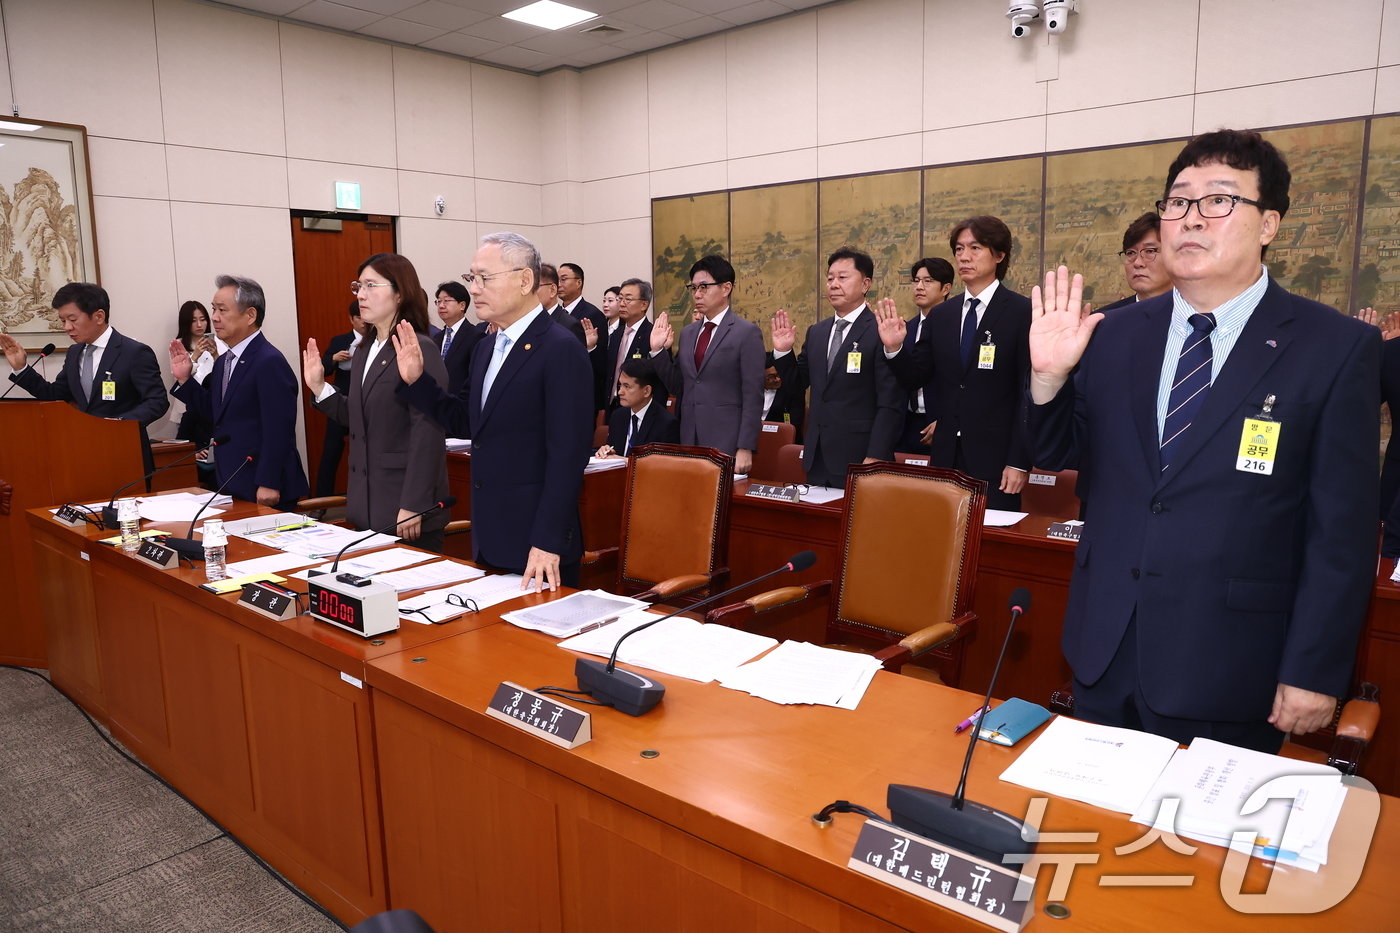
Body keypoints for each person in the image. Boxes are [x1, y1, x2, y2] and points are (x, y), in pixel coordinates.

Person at [1027, 128, 1379, 753]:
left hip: (1232, 663)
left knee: (1190, 849)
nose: (1190, 218)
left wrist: (1313, 669)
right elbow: (1059, 459)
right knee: (1093, 840)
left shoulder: (1333, 348)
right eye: (1177, 201)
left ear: (1268, 224)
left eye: (1218, 201)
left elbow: (1342, 531)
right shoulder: (1113, 334)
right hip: (1106, 648)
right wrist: (1049, 378)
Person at [393, 232, 593, 591]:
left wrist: (547, 541)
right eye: (472, 278)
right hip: (490, 532)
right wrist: (417, 381)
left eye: (485, 278)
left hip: (538, 542)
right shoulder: (486, 348)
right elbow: (469, 423)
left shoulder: (561, 348)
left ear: (524, 280)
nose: (475, 289)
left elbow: (568, 456)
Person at [875, 217, 1031, 509]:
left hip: (996, 458)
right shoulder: (943, 315)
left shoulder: (1022, 312)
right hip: (946, 454)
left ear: (999, 255)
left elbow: (1027, 393)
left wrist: (1019, 461)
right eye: (959, 249)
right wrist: (894, 348)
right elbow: (916, 376)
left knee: (991, 544)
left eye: (975, 247)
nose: (964, 256)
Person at [302, 255, 450, 550]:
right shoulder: (365, 349)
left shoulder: (419, 348)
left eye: (371, 285)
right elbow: (357, 417)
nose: (361, 295)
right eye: (358, 286)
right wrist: (320, 388)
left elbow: (428, 432)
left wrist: (414, 503)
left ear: (399, 293)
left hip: (405, 509)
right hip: (367, 503)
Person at [169, 275, 308, 507]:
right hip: (231, 478)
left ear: (250, 315)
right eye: (214, 309)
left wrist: (269, 481)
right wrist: (185, 380)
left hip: (262, 484)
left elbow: (279, 429)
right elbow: (217, 414)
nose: (214, 318)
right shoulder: (224, 361)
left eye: (222, 310)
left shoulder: (268, 361)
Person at [771, 246, 902, 487]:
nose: (833, 284)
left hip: (862, 457)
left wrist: (875, 455)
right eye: (830, 278)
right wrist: (783, 352)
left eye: (842, 277)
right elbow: (797, 385)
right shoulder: (818, 332)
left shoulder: (880, 331)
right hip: (818, 455)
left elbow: (891, 401)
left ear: (865, 284)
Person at [2, 282, 169, 471]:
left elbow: (157, 401)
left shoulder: (134, 352)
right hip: (84, 453)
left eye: (72, 319)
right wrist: (21, 368)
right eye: (63, 320)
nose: (66, 327)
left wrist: (120, 424)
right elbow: (55, 394)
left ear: (98, 316)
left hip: (125, 453)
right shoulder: (74, 353)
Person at [649, 255, 766, 474]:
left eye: (704, 287)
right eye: (693, 288)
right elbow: (679, 387)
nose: (697, 294)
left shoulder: (745, 333)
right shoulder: (689, 333)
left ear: (726, 288)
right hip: (689, 437)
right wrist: (657, 351)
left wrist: (745, 446)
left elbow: (753, 395)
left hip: (727, 441)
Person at [895, 257, 954, 453]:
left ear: (945, 289)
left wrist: (947, 420)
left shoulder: (957, 329)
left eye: (928, 281)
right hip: (906, 423)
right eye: (916, 280)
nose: (919, 286)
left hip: (941, 423)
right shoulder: (906, 329)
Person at [311, 301, 364, 496]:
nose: (363, 321)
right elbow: (322, 370)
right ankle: (321, 502)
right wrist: (333, 358)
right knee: (330, 454)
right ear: (351, 319)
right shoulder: (340, 341)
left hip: (367, 406)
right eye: (358, 317)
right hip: (340, 404)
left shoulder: (378, 340)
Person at [596, 358, 680, 458]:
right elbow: (615, 452)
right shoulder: (618, 416)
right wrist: (606, 452)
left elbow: (662, 466)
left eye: (627, 386)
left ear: (646, 391)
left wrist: (625, 461)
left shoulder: (666, 424)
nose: (620, 392)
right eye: (620, 385)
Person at [559, 262, 610, 409]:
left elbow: (601, 360)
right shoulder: (556, 315)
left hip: (583, 391)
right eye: (557, 280)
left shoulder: (592, 315)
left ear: (578, 282)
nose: (558, 284)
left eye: (563, 279)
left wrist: (590, 348)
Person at [173, 299, 221, 450]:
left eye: (203, 319)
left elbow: (223, 372)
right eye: (194, 321)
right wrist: (195, 355)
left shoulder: (219, 342)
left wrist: (215, 355)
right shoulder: (178, 345)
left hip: (212, 404)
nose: (199, 325)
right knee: (190, 451)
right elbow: (179, 377)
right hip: (188, 407)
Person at [1100, 212, 1173, 311]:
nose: (1137, 263)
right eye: (1130, 253)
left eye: (1150, 251)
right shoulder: (1104, 320)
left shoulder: (1197, 312)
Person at [606, 278, 654, 411]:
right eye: (620, 298)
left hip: (638, 408)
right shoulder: (616, 334)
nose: (622, 304)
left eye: (628, 299)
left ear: (644, 304)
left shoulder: (652, 335)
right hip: (613, 405)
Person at [433, 280, 481, 403]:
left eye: (447, 301)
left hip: (461, 406)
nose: (441, 305)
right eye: (438, 301)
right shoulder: (436, 338)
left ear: (462, 305)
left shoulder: (476, 337)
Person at [760, 364, 804, 441]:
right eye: (771, 377)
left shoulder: (790, 393)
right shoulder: (750, 392)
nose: (778, 379)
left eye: (777, 375)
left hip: (779, 437)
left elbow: (794, 423)